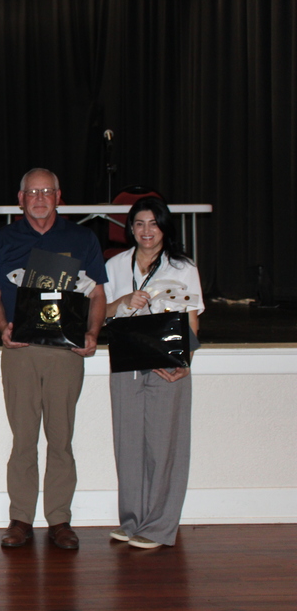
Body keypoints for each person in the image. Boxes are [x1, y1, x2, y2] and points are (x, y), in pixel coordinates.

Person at [0, 168, 107, 550]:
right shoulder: (2, 240)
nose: (39, 198)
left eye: (46, 191)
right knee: (23, 439)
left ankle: (60, 519)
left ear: (58, 196)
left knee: (61, 439)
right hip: (20, 350)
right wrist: (2, 328)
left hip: (66, 351)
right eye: (32, 192)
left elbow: (98, 294)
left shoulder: (82, 238)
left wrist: (92, 333)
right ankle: (20, 518)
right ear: (20, 199)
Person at [105, 197, 203, 549]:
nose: (147, 230)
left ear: (164, 227)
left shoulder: (182, 267)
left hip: (166, 361)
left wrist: (184, 363)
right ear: (130, 228)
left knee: (163, 446)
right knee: (128, 444)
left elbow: (191, 319)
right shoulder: (116, 265)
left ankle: (159, 526)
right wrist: (123, 302)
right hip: (126, 360)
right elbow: (100, 313)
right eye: (139, 223)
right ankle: (132, 521)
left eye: (153, 223)